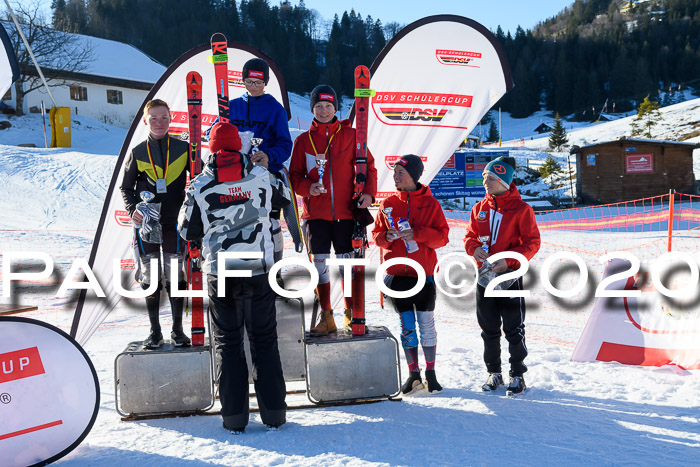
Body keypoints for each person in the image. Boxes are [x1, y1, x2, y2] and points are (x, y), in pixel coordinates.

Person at [178, 122, 287, 433]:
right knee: (264, 340)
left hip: (220, 269)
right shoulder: (261, 176)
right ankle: (275, 414)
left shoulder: (199, 184)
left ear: (212, 149)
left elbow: (187, 231)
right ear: (238, 147)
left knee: (228, 343)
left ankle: (235, 418)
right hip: (258, 268)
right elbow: (283, 199)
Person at [289, 84, 377, 335]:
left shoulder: (351, 136)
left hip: (347, 213)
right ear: (312, 109)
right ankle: (327, 316)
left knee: (347, 266)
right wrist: (308, 187)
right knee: (319, 266)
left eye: (328, 106)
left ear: (336, 108)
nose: (324, 111)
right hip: (316, 216)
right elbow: (294, 176)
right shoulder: (303, 140)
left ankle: (352, 313)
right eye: (319, 106)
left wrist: (369, 194)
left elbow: (369, 167)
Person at [372, 155, 450, 395]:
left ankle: (431, 374)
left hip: (423, 274)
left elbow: (442, 238)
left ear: (414, 176)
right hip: (397, 275)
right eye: (394, 173)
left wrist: (417, 234)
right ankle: (413, 375)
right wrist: (388, 238)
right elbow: (376, 236)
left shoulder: (431, 203)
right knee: (406, 326)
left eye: (400, 174)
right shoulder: (388, 204)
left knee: (427, 326)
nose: (395, 177)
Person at [463, 156, 541, 395]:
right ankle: (493, 372)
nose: (485, 182)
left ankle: (517, 374)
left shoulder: (521, 209)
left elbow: (532, 243)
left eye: (491, 178)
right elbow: (469, 236)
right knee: (488, 328)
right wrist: (473, 248)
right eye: (484, 177)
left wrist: (507, 260)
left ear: (504, 181)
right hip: (484, 276)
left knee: (513, 328)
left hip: (510, 277)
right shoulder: (479, 208)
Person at [120, 98, 191, 349]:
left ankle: (178, 330)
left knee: (176, 275)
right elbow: (126, 187)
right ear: (145, 121)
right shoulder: (138, 151)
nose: (159, 123)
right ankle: (154, 331)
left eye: (163, 117)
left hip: (175, 221)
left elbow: (201, 177)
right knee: (150, 277)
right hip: (149, 221)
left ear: (171, 119)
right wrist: (132, 211)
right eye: (154, 118)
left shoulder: (184, 148)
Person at [229, 57, 293, 266]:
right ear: (243, 81)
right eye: (249, 82)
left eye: (258, 82)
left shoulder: (275, 109)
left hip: (266, 175)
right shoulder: (232, 106)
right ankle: (242, 269)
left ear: (265, 83)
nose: (253, 87)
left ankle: (275, 269)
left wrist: (268, 156)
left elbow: (285, 144)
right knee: (238, 223)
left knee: (270, 222)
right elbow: (213, 134)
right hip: (235, 176)